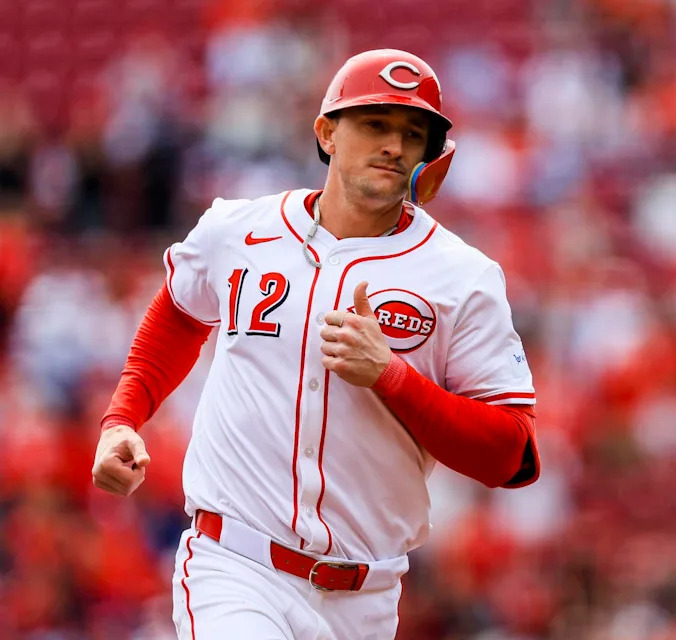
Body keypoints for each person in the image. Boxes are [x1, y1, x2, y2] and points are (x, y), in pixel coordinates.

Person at [91, 49, 539, 640]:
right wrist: (123, 418)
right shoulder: (238, 229)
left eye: (412, 134)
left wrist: (391, 377)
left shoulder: (462, 276)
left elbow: (510, 453)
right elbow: (179, 309)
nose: (394, 146)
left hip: (366, 595)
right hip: (236, 565)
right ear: (327, 132)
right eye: (374, 124)